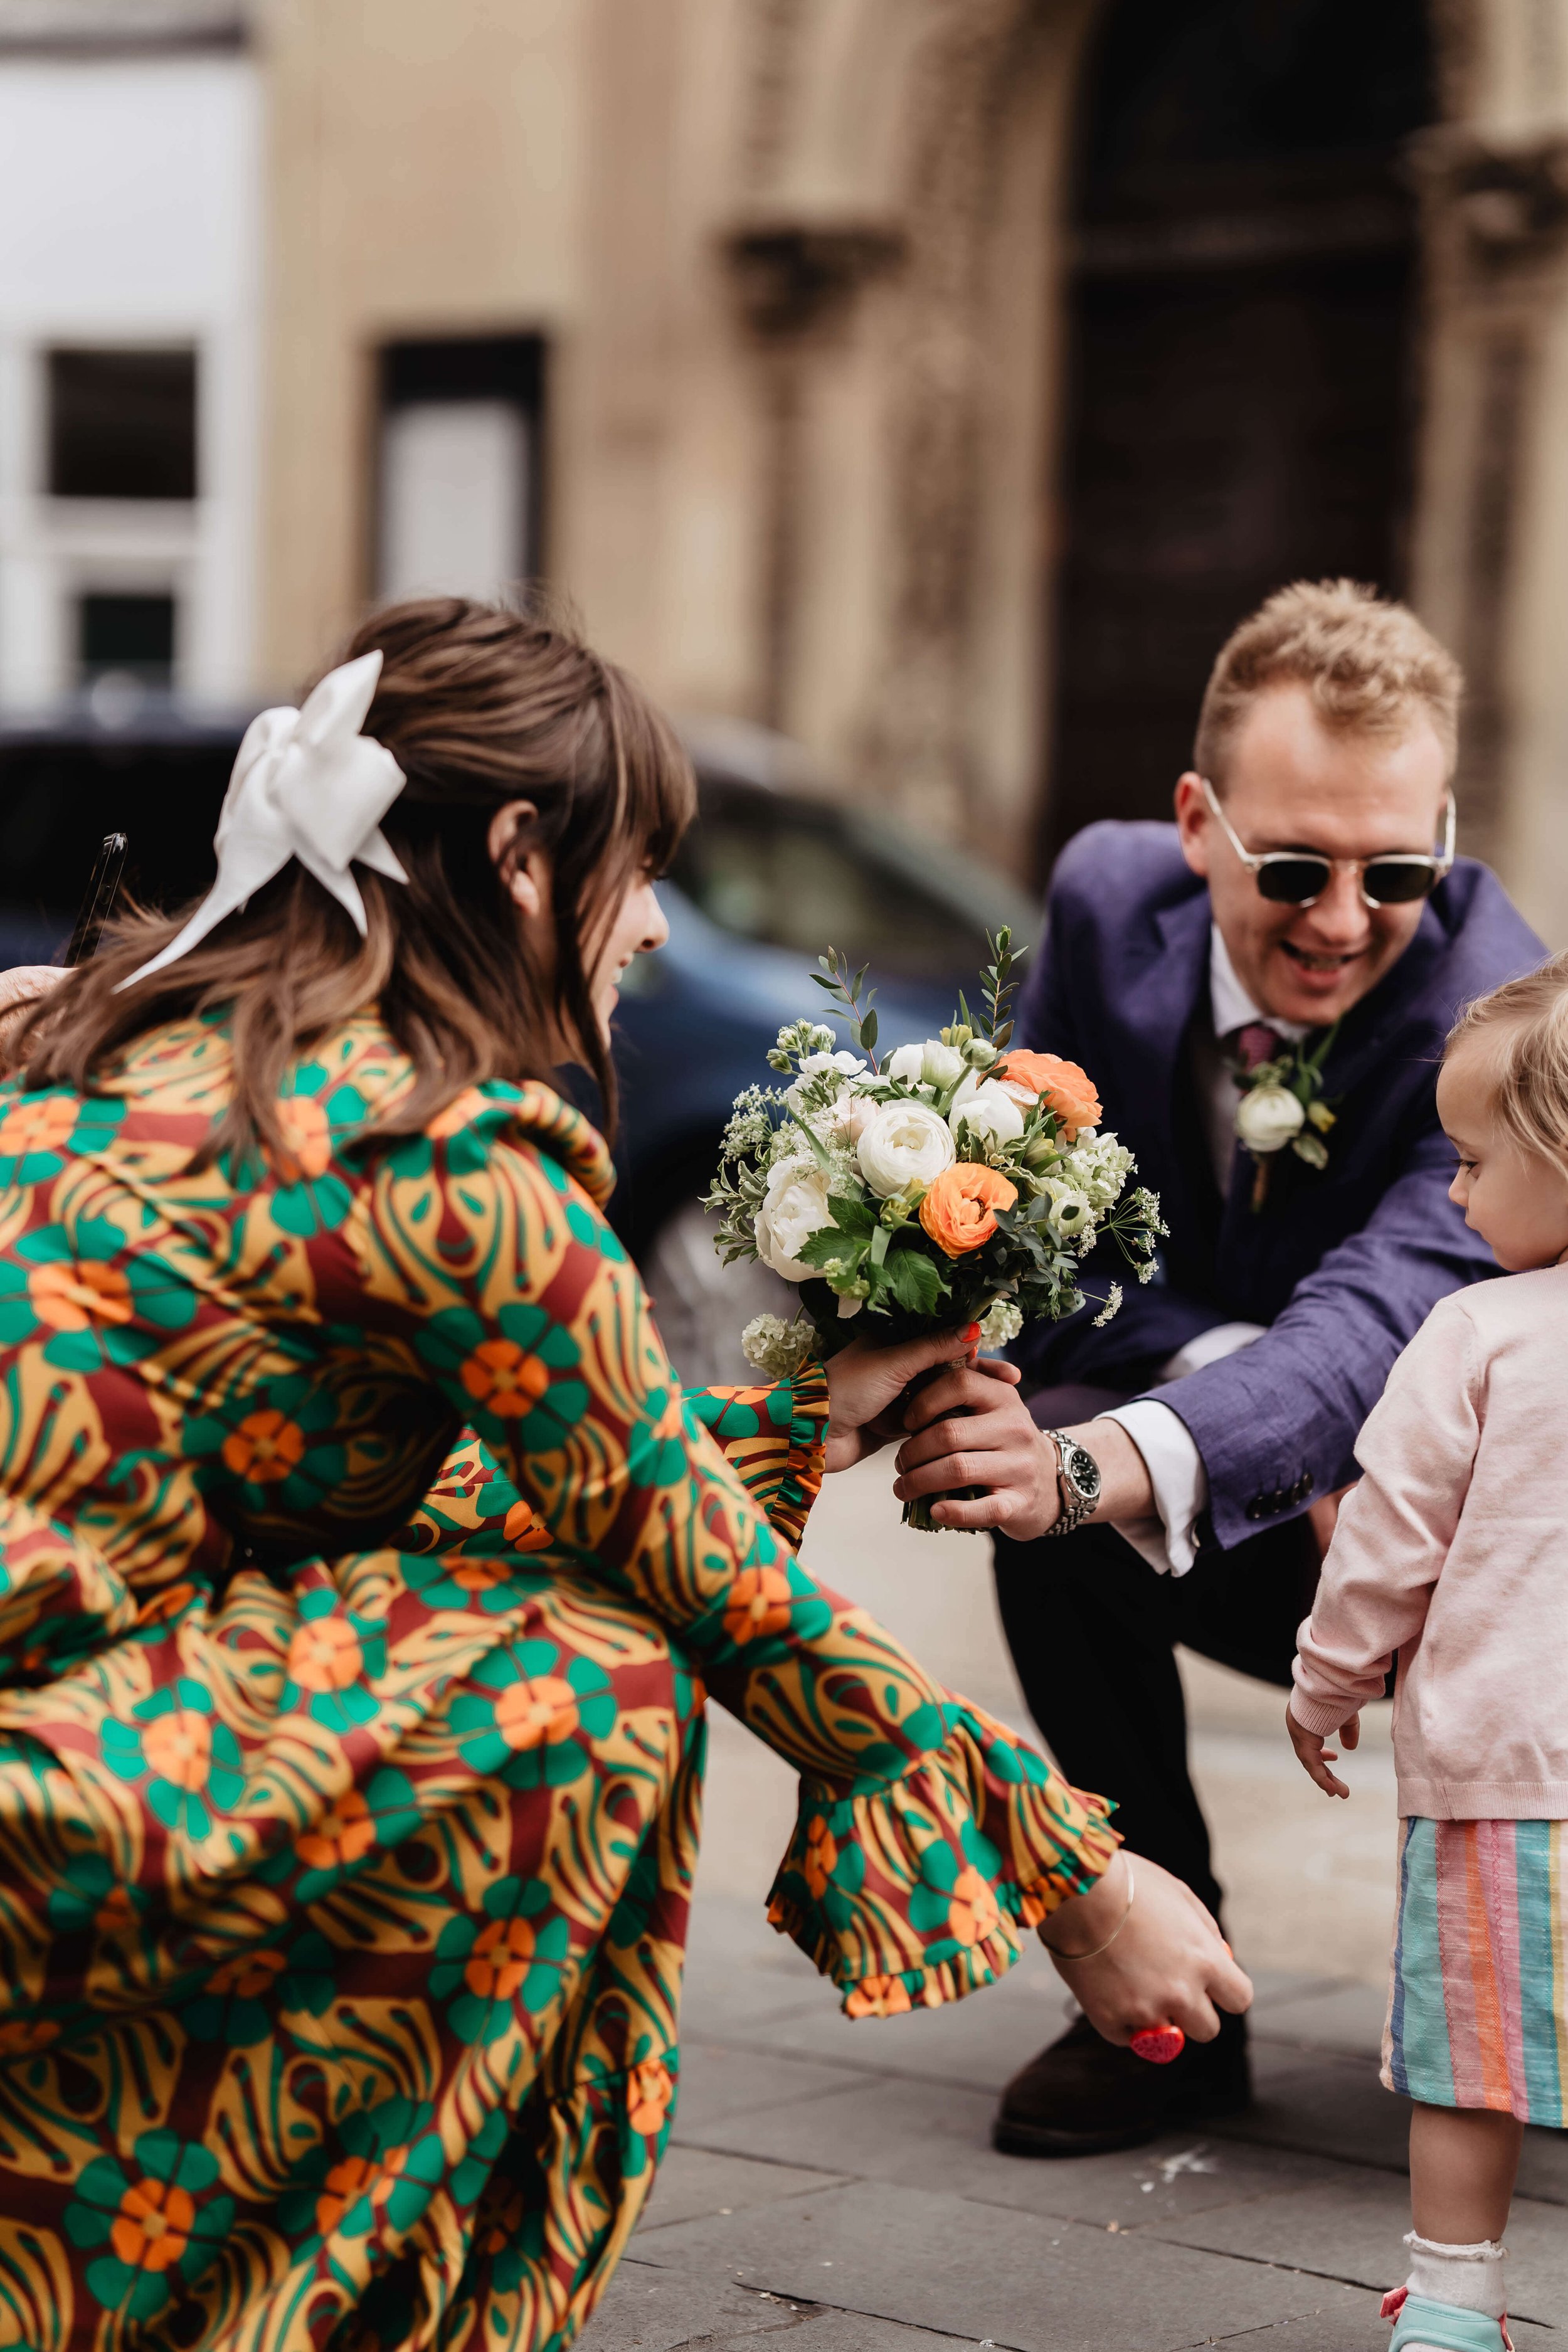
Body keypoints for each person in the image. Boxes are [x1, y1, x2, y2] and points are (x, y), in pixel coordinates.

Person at [0, 597, 1249, 2352]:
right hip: (46, 1785)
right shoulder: (442, 1151)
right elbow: (680, 1566)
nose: (655, 920)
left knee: (524, 1601)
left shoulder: (113, 1033)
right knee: (589, 1680)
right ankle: (335, 2292)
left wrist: (807, 1397)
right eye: (638, 864)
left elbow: (535, 1496)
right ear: (519, 855)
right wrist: (1079, 1876)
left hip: (67, 1721)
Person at [959, 580, 1544, 2158]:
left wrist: (1331, 1437)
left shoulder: (1497, 1006)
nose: (1342, 920)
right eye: (1291, 866)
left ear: (1444, 826)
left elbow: (1389, 1312)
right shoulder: (1098, 905)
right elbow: (1050, 1258)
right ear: (1195, 821)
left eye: (1394, 869)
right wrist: (1225, 1402)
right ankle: (1168, 2008)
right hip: (1258, 1492)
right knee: (1049, 1486)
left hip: (1472, 1556)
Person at [1288, 955, 1568, 2352]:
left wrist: (1327, 1679)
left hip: (1494, 1777)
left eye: (1469, 1162)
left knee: (1471, 2065)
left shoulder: (1471, 1332)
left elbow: (1385, 1545)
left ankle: (1452, 2308)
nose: (1453, 1196)